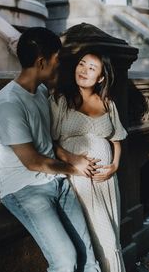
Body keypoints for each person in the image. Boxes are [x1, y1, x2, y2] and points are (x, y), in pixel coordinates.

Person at [0, 27, 101, 272]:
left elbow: (47, 143)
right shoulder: (9, 102)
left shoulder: (41, 91)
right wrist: (74, 168)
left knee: (89, 258)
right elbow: (32, 161)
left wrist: (73, 158)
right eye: (56, 60)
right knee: (65, 260)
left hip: (57, 181)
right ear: (42, 62)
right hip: (24, 189)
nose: (59, 65)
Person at [50, 48, 127, 272]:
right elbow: (48, 141)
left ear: (101, 77)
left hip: (106, 182)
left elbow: (117, 139)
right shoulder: (60, 99)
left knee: (111, 239)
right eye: (81, 64)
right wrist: (72, 159)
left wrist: (114, 166)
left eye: (91, 68)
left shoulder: (107, 103)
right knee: (90, 239)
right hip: (77, 181)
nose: (84, 70)